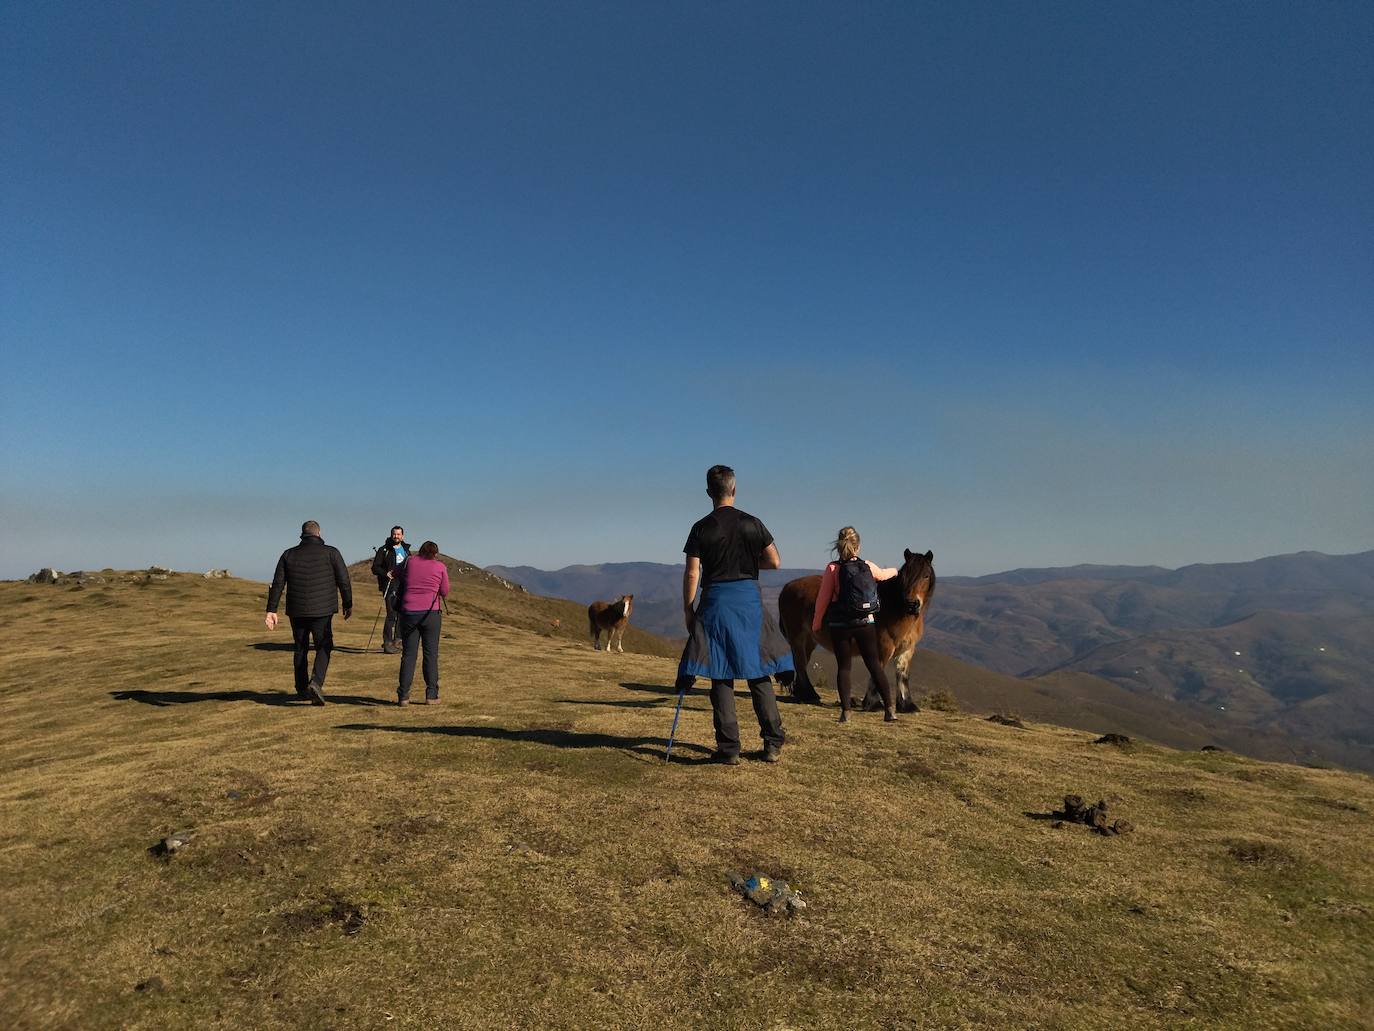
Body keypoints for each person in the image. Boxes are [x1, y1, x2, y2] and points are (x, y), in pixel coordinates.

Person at [676, 465, 793, 764]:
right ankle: (772, 743)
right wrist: (750, 566)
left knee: (720, 671)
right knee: (758, 669)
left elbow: (693, 573)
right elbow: (775, 562)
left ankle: (729, 749)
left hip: (716, 601)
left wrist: (688, 609)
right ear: (734, 489)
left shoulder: (701, 527)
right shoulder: (752, 523)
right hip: (748, 601)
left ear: (708, 493)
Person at [812, 526, 900, 723]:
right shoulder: (867, 565)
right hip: (865, 623)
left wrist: (816, 623)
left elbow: (823, 599)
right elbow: (883, 575)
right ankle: (890, 710)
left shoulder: (832, 568)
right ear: (858, 546)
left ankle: (846, 712)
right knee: (874, 666)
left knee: (844, 667)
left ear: (838, 546)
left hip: (840, 625)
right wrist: (896, 570)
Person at [264, 520, 353, 705]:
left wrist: (271, 609)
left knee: (300, 648)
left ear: (302, 534)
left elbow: (278, 583)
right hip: (323, 609)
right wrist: (348, 603)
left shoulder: (288, 554)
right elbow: (344, 580)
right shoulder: (331, 552)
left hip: (297, 610)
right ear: (319, 533)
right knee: (324, 646)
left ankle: (301, 688)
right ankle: (316, 682)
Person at [394, 540, 450, 706]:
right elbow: (445, 591)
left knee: (408, 655)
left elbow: (396, 573)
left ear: (420, 551)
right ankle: (431, 695)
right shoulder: (440, 566)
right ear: (435, 553)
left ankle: (403, 696)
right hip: (431, 614)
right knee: (430, 654)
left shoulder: (409, 561)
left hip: (409, 612)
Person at [370, 525, 411, 653]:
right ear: (391, 534)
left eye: (398, 534)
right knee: (391, 615)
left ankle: (398, 641)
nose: (396, 536)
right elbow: (375, 568)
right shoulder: (384, 550)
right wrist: (385, 573)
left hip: (403, 585)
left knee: (402, 614)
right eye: (394, 534)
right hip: (389, 585)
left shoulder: (406, 550)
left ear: (402, 536)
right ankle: (387, 643)